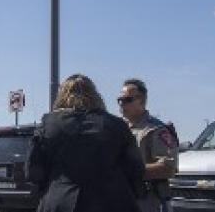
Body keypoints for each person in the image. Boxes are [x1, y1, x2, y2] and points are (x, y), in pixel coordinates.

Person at [28, 74, 144, 212]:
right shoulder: (117, 125)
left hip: (60, 201)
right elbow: (136, 168)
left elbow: (33, 171)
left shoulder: (49, 124)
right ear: (95, 95)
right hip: (111, 202)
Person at [119, 78, 178, 212]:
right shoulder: (118, 128)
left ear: (141, 100)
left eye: (127, 100)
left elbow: (168, 167)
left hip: (146, 200)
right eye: (120, 100)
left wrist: (129, 171)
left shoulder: (157, 130)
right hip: (122, 197)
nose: (122, 104)